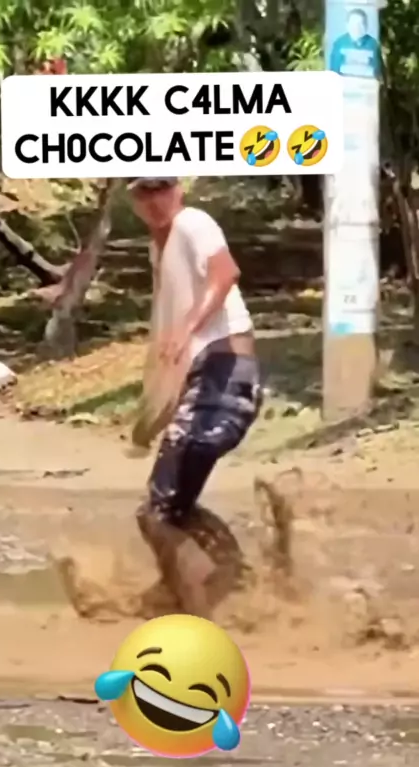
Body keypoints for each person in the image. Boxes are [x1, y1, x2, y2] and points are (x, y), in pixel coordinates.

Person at [128, 176, 261, 616]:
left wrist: (187, 327)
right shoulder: (161, 250)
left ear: (179, 189)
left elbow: (225, 273)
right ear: (133, 200)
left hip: (225, 378)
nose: (155, 199)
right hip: (208, 382)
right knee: (165, 509)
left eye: (162, 187)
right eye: (144, 191)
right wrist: (152, 412)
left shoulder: (193, 222)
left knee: (158, 513)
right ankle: (230, 578)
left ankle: (195, 609)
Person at [329, 8, 379, 78]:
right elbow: (334, 72)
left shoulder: (373, 44)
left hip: (367, 83)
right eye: (353, 24)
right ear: (347, 25)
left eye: (360, 24)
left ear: (366, 26)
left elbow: (378, 71)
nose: (357, 27)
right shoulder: (339, 44)